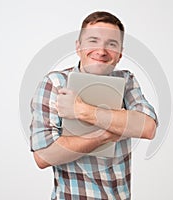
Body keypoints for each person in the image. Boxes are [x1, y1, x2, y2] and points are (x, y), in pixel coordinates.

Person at [30, 11, 158, 200]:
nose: (101, 51)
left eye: (111, 44)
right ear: (78, 46)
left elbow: (148, 127)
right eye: (93, 41)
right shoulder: (55, 83)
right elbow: (44, 156)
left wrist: (81, 110)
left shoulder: (127, 81)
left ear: (120, 53)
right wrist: (107, 133)